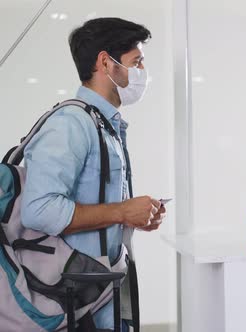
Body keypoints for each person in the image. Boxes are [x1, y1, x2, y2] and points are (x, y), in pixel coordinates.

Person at [21, 18, 165, 330]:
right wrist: (122, 211)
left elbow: (103, 209)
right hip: (77, 307)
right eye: (136, 62)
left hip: (105, 297)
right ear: (105, 63)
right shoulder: (71, 123)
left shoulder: (104, 126)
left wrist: (133, 215)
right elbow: (38, 210)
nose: (142, 71)